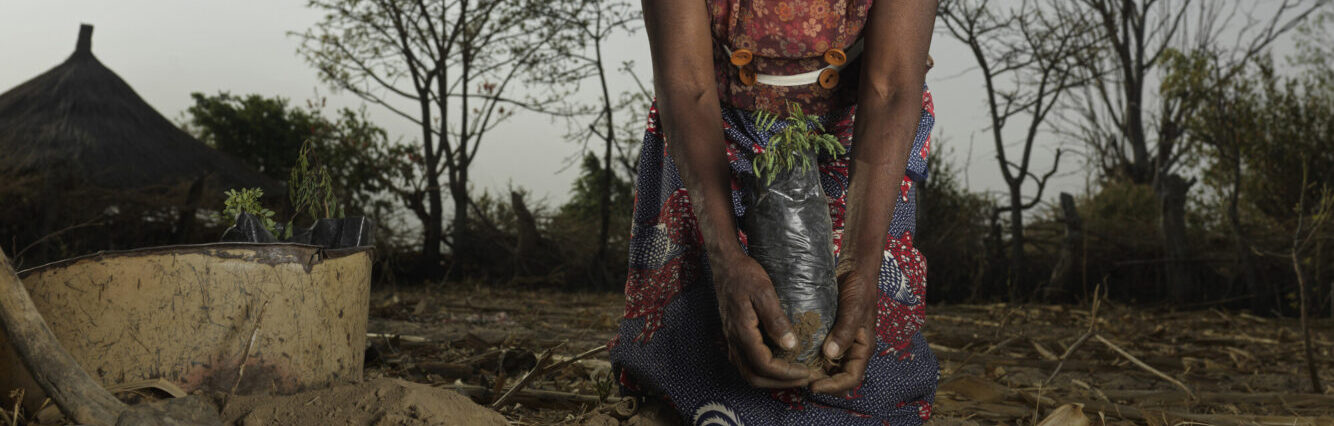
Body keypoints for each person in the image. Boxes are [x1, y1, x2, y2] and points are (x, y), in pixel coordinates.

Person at [609, 0, 939, 424]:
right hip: (714, 129)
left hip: (858, 139)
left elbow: (891, 87)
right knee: (703, 365)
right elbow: (687, 82)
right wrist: (726, 257)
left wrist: (862, 261)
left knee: (862, 376)